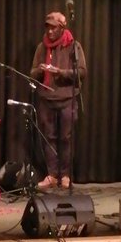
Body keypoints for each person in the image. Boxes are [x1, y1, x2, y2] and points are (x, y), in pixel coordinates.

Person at [30, 10, 87, 190]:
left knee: (65, 139)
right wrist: (40, 70)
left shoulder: (73, 46)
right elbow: (32, 73)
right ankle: (52, 175)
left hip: (67, 98)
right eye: (47, 27)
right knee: (49, 138)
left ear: (62, 28)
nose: (50, 31)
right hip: (46, 99)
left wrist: (60, 72)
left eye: (54, 28)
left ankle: (66, 175)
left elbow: (82, 72)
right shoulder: (42, 47)